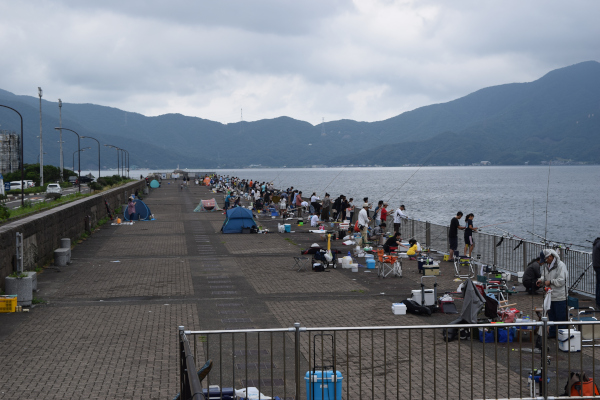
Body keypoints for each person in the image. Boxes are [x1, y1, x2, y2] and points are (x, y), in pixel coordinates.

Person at [538, 249, 568, 338]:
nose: (546, 262)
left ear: (550, 257)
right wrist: (541, 280)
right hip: (550, 296)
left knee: (561, 318)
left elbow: (562, 281)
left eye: (546, 259)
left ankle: (562, 336)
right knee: (552, 317)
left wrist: (550, 282)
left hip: (560, 297)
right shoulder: (547, 265)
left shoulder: (561, 266)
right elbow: (544, 276)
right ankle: (552, 334)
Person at [594, 237, 600, 309]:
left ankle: (597, 302)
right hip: (599, 266)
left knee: (598, 285)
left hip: (596, 265)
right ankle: (598, 303)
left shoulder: (596, 243)